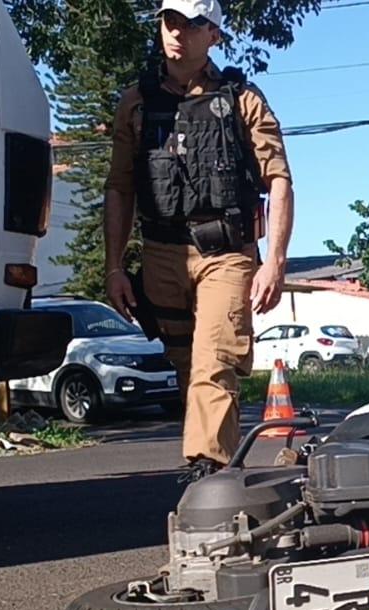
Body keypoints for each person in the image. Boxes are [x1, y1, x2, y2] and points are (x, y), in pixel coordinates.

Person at [103, 0, 295, 483]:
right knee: (190, 369)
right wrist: (113, 267)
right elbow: (119, 187)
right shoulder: (136, 103)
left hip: (226, 255)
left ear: (213, 34)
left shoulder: (241, 99)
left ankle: (206, 472)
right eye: (169, 21)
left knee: (215, 363)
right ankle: (221, 473)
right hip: (162, 255)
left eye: (189, 24)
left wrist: (274, 262)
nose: (176, 33)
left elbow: (279, 179)